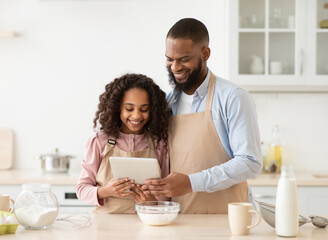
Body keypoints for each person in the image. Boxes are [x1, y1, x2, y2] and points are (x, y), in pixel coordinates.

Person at [144, 18, 262, 213]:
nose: (174, 67)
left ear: (205, 53)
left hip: (226, 219)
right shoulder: (168, 101)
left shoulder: (233, 97)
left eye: (183, 59)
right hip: (179, 218)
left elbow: (250, 162)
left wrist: (191, 182)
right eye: (169, 59)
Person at [76, 73, 170, 214]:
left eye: (144, 109)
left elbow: (167, 196)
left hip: (146, 225)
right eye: (129, 109)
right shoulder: (99, 142)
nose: (137, 116)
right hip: (105, 227)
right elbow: (82, 189)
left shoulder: (159, 144)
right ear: (117, 107)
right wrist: (105, 191)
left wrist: (152, 202)